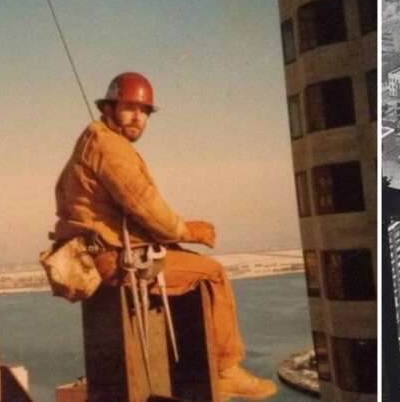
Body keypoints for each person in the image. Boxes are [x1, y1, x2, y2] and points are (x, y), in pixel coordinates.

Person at [52, 72, 277, 400]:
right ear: (110, 107)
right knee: (211, 274)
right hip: (113, 261)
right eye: (130, 108)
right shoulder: (108, 146)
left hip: (94, 256)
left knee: (190, 263)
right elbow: (145, 205)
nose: (138, 117)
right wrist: (188, 230)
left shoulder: (91, 141)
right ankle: (226, 370)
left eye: (144, 112)